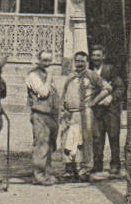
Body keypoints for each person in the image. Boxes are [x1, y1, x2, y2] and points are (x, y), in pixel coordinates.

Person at [59, 50, 101, 179]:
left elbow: (107, 89)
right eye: (77, 61)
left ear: (87, 62)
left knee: (83, 141)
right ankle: (69, 168)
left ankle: (84, 169)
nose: (79, 64)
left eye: (82, 61)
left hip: (84, 113)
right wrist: (62, 108)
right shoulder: (70, 77)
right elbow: (64, 93)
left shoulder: (92, 76)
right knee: (67, 140)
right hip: (69, 113)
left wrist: (93, 102)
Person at [25, 51, 59, 185]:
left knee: (50, 145)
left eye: (49, 60)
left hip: (51, 114)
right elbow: (43, 93)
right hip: (40, 113)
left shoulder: (46, 75)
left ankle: (47, 172)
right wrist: (50, 76)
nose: (47, 63)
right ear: (38, 61)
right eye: (44, 60)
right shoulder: (33, 75)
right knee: (41, 145)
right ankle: (39, 175)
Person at [91, 47, 124, 176]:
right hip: (97, 110)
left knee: (113, 136)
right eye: (93, 55)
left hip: (111, 111)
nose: (95, 58)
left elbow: (120, 88)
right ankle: (97, 164)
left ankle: (115, 165)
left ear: (103, 57)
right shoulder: (90, 71)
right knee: (97, 138)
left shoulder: (110, 70)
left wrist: (111, 98)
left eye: (98, 55)